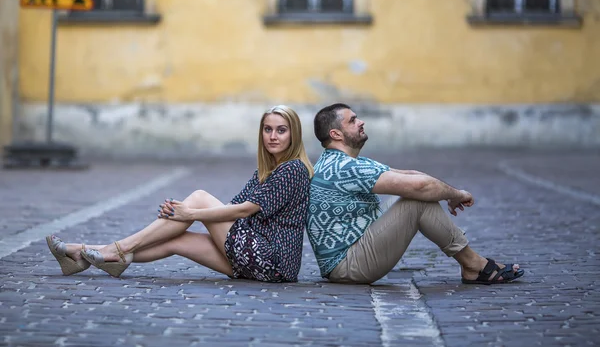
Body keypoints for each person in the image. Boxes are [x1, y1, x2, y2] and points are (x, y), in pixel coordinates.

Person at [47, 105, 314, 283]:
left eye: (281, 130)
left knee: (198, 197)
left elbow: (244, 210)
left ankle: (121, 247)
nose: (273, 136)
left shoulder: (293, 169)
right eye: (268, 129)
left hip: (272, 261)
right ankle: (81, 254)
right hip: (257, 259)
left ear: (294, 134)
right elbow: (232, 207)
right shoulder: (266, 171)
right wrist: (181, 217)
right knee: (177, 240)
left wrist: (190, 213)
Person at [306, 103, 524, 285]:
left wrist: (447, 193)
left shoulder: (341, 161)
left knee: (416, 196)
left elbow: (410, 175)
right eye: (352, 121)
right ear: (335, 134)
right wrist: (456, 193)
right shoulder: (346, 167)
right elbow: (419, 187)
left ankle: (472, 264)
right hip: (347, 266)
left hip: (349, 254)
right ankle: (474, 265)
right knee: (416, 201)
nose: (361, 122)